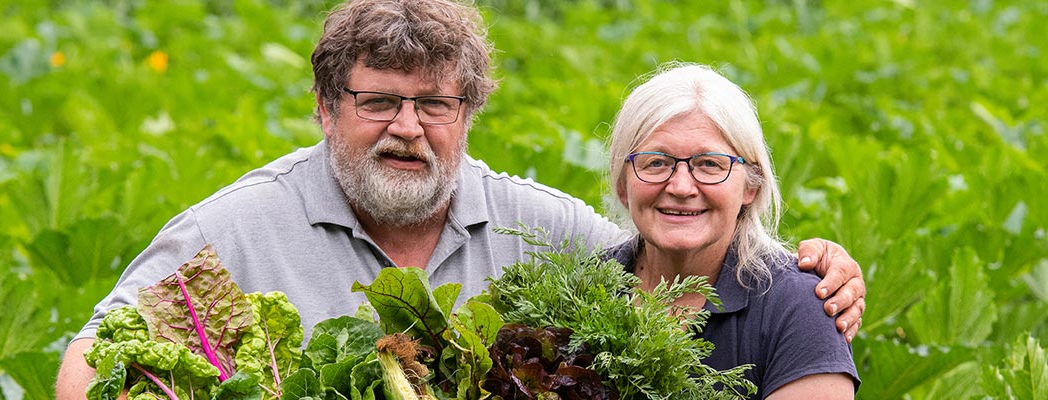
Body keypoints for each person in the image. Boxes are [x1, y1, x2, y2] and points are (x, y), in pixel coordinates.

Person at [55, 0, 866, 398]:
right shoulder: (235, 229)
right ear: (326, 105)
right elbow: (87, 366)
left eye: (435, 105)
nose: (407, 130)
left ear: (468, 115)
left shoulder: (540, 226)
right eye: (378, 102)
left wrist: (811, 266)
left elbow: (675, 244)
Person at [604, 63, 859, 399]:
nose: (681, 186)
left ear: (750, 186)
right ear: (623, 185)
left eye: (709, 164)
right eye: (656, 162)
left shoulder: (798, 309)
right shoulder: (585, 287)